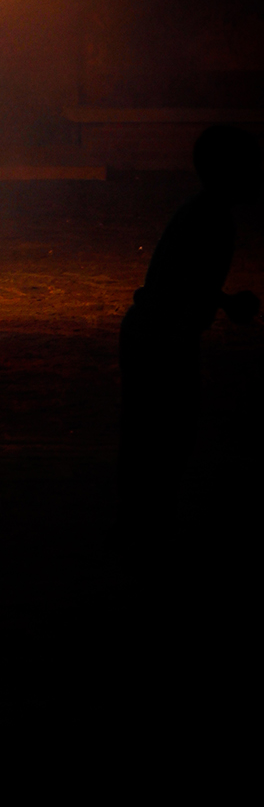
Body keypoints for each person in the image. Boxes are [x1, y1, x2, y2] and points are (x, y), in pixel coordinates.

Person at [118, 123, 261, 550]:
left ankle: (143, 532)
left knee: (151, 443)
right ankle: (149, 537)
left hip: (151, 332)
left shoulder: (200, 212)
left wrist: (221, 301)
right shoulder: (214, 221)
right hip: (163, 340)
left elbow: (180, 280)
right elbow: (182, 288)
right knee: (165, 443)